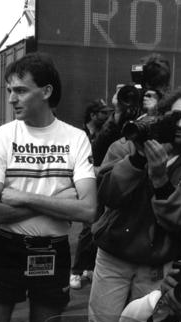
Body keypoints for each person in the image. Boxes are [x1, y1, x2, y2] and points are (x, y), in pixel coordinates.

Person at [0, 52, 97, 322]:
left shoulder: (76, 138)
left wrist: (26, 198)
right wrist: (60, 203)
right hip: (6, 249)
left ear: (46, 91)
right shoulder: (3, 135)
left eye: (20, 90)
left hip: (53, 253)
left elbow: (87, 211)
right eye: (9, 91)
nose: (12, 98)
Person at [88, 85, 181, 322]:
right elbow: (107, 195)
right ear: (163, 115)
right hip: (113, 253)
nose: (180, 124)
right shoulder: (128, 145)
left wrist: (161, 180)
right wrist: (137, 161)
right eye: (175, 115)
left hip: (156, 263)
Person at [70, 98, 112, 290]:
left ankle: (89, 268)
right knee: (88, 229)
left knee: (100, 227)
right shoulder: (80, 135)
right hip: (85, 187)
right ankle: (76, 271)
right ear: (93, 115)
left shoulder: (107, 135)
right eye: (103, 113)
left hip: (104, 186)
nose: (107, 116)